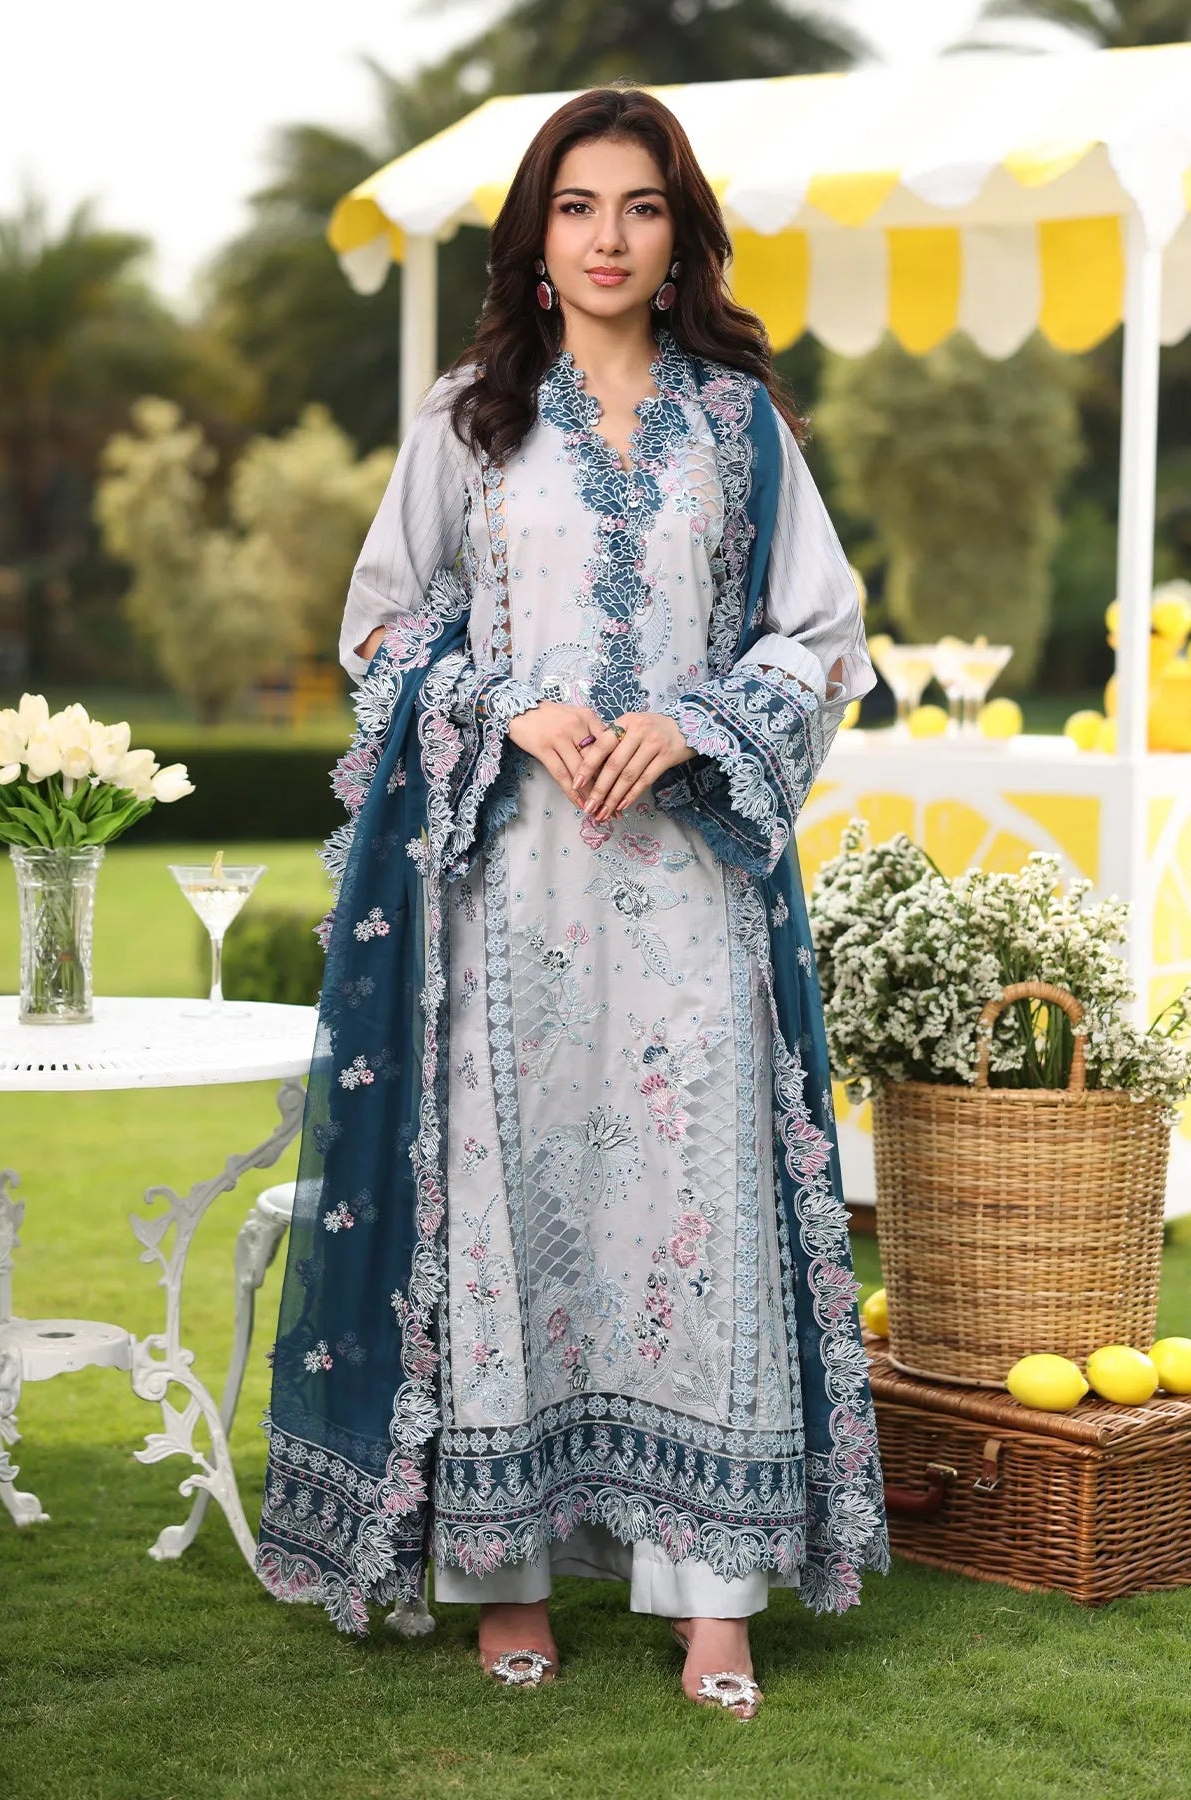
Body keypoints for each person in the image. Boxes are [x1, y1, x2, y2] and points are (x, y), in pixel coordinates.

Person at [256, 82, 889, 1721]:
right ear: (537, 238)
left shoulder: (741, 426)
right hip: (509, 892)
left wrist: (693, 722)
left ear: (680, 237)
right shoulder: (470, 419)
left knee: (698, 1210)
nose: (609, 238)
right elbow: (384, 629)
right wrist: (509, 702)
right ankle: (507, 1574)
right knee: (513, 1210)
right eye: (578, 207)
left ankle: (712, 1599)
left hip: (688, 891)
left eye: (642, 208)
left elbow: (822, 637)